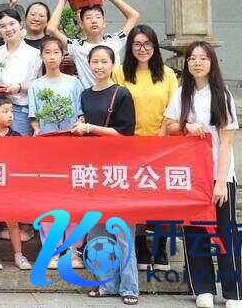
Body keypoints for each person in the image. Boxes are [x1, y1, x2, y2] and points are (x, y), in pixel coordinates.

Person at [163, 42, 242, 308]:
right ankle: (203, 289)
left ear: (212, 63)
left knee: (225, 233)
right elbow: (168, 126)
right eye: (192, 59)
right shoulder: (181, 94)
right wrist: (186, 125)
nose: (197, 63)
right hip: (191, 176)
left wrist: (220, 182)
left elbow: (227, 142)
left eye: (203, 58)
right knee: (194, 232)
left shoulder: (222, 95)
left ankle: (233, 293)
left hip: (219, 175)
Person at [71, 45, 139, 305]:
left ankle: (129, 287)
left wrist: (90, 128)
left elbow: (125, 134)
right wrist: (81, 127)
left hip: (118, 169)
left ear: (112, 64)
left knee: (122, 232)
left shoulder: (121, 94)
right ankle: (106, 284)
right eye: (95, 62)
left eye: (104, 62)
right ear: (88, 64)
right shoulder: (85, 95)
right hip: (92, 169)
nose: (99, 66)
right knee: (97, 231)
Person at [113, 24, 179, 271]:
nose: (142, 49)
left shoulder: (167, 74)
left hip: (162, 145)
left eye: (147, 44)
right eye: (137, 44)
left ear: (155, 46)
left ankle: (160, 247)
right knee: (136, 198)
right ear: (130, 47)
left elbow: (174, 108)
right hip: (129, 145)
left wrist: (162, 134)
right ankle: (140, 246)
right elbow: (114, 105)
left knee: (162, 198)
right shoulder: (119, 72)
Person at [27, 40, 85, 271]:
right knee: (49, 199)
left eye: (56, 52)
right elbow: (34, 117)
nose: (52, 57)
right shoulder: (36, 85)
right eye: (47, 53)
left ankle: (73, 250)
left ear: (63, 55)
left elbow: (80, 114)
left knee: (73, 198)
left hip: (72, 147)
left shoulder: (74, 83)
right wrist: (36, 130)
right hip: (47, 148)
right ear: (41, 56)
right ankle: (51, 249)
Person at [47, 0, 141, 90]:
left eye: (98, 17)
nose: (94, 21)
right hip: (89, 97)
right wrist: (63, 0)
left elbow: (133, 16)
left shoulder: (114, 41)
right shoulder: (76, 46)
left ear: (104, 23)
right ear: (81, 24)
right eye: (88, 18)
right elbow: (51, 29)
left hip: (115, 96)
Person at [0, 96, 32, 272]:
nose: (10, 115)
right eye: (5, 111)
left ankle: (18, 255)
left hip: (11, 187)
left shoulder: (17, 137)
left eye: (11, 111)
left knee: (12, 221)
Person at [0, 9, 41, 136]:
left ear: (21, 24)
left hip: (20, 110)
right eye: (3, 26)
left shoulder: (34, 54)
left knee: (19, 146)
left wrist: (19, 87)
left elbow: (39, 85)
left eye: (12, 24)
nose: (8, 29)